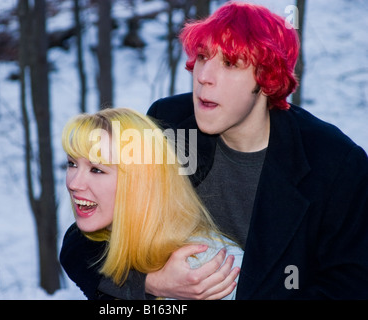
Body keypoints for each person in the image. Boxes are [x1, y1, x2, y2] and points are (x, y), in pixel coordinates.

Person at [60, 2, 368, 299]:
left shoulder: (335, 163)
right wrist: (151, 283)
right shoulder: (172, 124)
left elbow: (351, 285)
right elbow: (88, 238)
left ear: (266, 79)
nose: (204, 76)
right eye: (203, 57)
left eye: (230, 63)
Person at [60, 107, 243, 300]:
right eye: (72, 164)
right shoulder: (102, 247)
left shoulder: (211, 268)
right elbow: (73, 250)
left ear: (141, 182)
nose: (73, 183)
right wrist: (150, 284)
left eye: (96, 169)